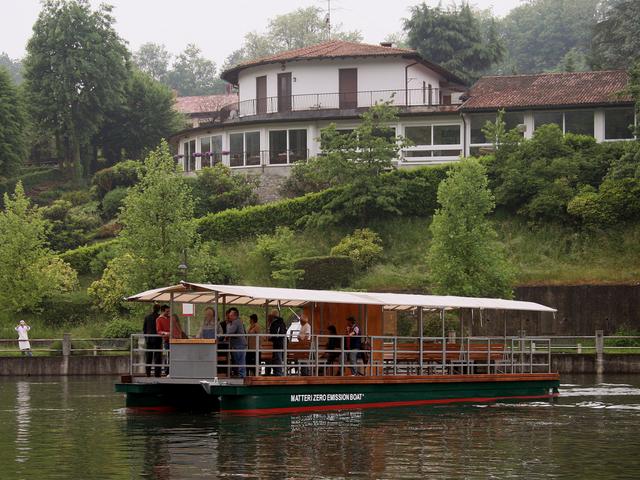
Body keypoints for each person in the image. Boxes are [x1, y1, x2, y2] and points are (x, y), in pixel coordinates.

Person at [225, 307, 247, 378]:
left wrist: (228, 324)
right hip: (238, 344)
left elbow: (230, 332)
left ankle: (242, 376)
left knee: (240, 360)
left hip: (239, 345)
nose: (229, 317)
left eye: (231, 315)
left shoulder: (236, 322)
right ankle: (241, 375)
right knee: (239, 361)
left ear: (235, 315)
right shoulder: (237, 322)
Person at [143, 304, 162, 377]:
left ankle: (148, 373)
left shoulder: (147, 317)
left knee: (149, 357)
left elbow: (144, 329)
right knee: (157, 357)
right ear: (159, 309)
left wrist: (146, 337)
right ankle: (157, 374)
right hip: (157, 339)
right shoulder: (159, 317)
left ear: (153, 309)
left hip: (149, 339)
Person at [268, 310, 287, 376]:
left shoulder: (276, 323)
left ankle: (278, 373)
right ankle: (277, 372)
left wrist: (270, 338)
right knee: (278, 358)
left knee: (277, 358)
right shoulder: (282, 323)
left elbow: (274, 334)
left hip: (277, 343)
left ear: (273, 316)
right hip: (281, 343)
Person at [155, 305, 171, 375]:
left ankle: (171, 370)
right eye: (167, 311)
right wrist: (165, 333)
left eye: (169, 311)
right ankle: (167, 371)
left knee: (172, 355)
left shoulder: (170, 318)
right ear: (162, 311)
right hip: (167, 340)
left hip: (173, 339)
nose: (168, 313)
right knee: (167, 355)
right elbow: (158, 331)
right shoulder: (159, 319)